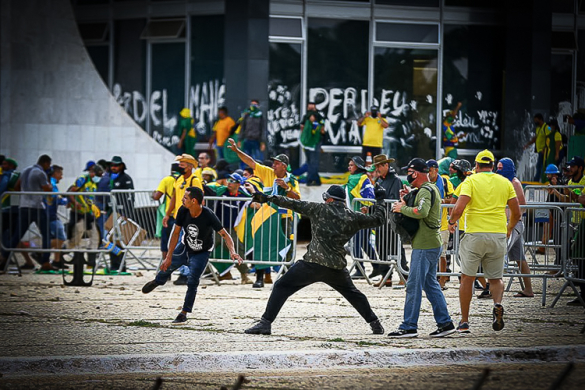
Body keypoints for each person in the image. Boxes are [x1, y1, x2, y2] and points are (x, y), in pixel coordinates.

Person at [244, 184, 386, 336]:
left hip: (312, 264)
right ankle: (375, 324)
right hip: (336, 267)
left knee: (281, 286)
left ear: (329, 199)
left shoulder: (319, 209)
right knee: (354, 295)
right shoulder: (353, 216)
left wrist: (267, 198)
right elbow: (378, 219)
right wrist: (380, 200)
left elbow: (292, 203)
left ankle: (265, 323)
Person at [142, 187, 243, 324]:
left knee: (193, 281)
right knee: (167, 266)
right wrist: (168, 256)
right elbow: (176, 233)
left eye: (185, 198)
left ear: (194, 201)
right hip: (184, 247)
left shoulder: (208, 215)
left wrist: (233, 251)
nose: (182, 200)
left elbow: (225, 234)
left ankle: (184, 313)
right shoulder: (183, 210)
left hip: (202, 252)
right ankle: (158, 281)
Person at [448, 150, 521, 333]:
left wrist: (451, 222)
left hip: (475, 235)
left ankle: (464, 322)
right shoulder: (505, 182)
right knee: (496, 279)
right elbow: (517, 212)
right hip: (497, 234)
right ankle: (497, 304)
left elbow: (458, 208)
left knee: (467, 277)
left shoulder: (471, 181)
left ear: (477, 165)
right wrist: (509, 228)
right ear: (493, 165)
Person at [386, 158, 455, 338]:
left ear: (415, 173)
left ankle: (409, 325)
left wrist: (402, 209)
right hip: (430, 243)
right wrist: (408, 196)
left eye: (409, 172)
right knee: (430, 284)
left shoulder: (425, 190)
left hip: (425, 246)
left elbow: (422, 212)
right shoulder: (429, 189)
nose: (407, 175)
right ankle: (445, 322)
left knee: (414, 285)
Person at [228, 138, 300, 287]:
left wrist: (286, 188)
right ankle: (260, 278)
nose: (273, 165)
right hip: (266, 216)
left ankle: (285, 277)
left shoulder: (292, 180)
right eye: (273, 163)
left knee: (286, 246)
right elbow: (251, 162)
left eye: (277, 163)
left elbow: (297, 198)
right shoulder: (268, 173)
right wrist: (236, 151)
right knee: (262, 245)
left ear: (284, 166)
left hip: (284, 217)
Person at [1, 155, 56, 271]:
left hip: (24, 206)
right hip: (37, 207)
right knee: (46, 234)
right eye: (48, 164)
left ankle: (4, 257)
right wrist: (49, 182)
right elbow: (47, 188)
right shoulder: (40, 173)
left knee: (17, 235)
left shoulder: (25, 170)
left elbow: (17, 187)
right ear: (46, 163)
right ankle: (45, 261)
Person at [367, 154, 408, 287]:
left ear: (386, 165)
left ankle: (404, 275)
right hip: (381, 220)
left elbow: (393, 199)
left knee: (396, 248)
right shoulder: (379, 180)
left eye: (379, 166)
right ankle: (386, 277)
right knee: (381, 248)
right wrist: (369, 209)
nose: (377, 169)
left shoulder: (395, 180)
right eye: (376, 166)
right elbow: (377, 200)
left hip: (392, 220)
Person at [163, 154, 204, 285]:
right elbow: (174, 198)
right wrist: (167, 214)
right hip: (179, 218)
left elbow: (200, 200)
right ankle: (181, 273)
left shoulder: (195, 180)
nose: (179, 166)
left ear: (190, 166)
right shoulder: (178, 179)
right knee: (177, 246)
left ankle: (185, 274)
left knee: (184, 248)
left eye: (182, 164)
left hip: (190, 219)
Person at [206, 172, 253, 284]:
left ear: (238, 184)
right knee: (205, 249)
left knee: (237, 250)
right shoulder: (221, 191)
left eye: (232, 181)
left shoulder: (243, 196)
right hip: (215, 227)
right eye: (228, 179)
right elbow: (207, 189)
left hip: (229, 229)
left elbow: (255, 204)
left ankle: (244, 275)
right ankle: (191, 272)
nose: (229, 183)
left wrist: (252, 191)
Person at [496, 158, 533, 298]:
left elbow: (522, 206)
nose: (498, 170)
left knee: (500, 253)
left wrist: (510, 222)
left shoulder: (514, 182)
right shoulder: (504, 182)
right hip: (509, 223)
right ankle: (528, 289)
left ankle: (493, 287)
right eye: (497, 167)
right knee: (520, 258)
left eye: (501, 168)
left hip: (514, 224)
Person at [67, 163, 104, 269]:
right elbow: (71, 192)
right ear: (92, 173)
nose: (99, 178)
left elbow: (90, 198)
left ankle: (91, 264)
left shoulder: (94, 184)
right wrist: (75, 203)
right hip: (78, 214)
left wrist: (94, 208)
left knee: (95, 237)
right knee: (76, 239)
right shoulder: (83, 179)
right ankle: (61, 253)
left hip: (88, 214)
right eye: (98, 175)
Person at [345, 156, 376, 279]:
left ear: (357, 166)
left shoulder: (358, 178)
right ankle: (378, 266)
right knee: (364, 243)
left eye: (351, 165)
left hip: (361, 217)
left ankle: (359, 269)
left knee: (356, 242)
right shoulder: (363, 178)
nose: (349, 167)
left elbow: (349, 191)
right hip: (362, 216)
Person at [109, 156, 135, 272]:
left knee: (120, 240)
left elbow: (130, 197)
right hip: (111, 213)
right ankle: (114, 265)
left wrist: (127, 214)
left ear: (121, 166)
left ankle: (121, 266)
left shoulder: (126, 178)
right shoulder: (110, 178)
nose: (114, 167)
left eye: (116, 165)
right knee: (110, 240)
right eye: (112, 165)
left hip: (121, 214)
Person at [152, 163, 181, 262]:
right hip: (181, 215)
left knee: (165, 243)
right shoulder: (183, 180)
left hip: (169, 216)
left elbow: (157, 197)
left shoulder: (166, 180)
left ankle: (165, 267)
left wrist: (153, 194)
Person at [45, 165, 68, 268]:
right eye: (60, 174)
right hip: (50, 214)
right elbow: (56, 198)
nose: (61, 177)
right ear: (55, 173)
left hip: (49, 213)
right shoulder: (52, 183)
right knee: (61, 237)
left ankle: (57, 260)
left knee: (57, 237)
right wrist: (67, 200)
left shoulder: (50, 182)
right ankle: (40, 250)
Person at [299, 102, 325, 187]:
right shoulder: (305, 118)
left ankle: (311, 179)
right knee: (311, 162)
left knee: (313, 162)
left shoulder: (319, 117)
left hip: (315, 143)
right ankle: (315, 180)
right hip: (307, 143)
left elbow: (322, 129)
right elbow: (302, 128)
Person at [524, 113, 551, 183]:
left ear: (541, 120)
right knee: (539, 166)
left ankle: (539, 180)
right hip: (540, 151)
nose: (535, 122)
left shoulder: (547, 127)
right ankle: (537, 180)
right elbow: (535, 138)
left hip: (544, 151)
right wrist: (527, 144)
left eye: (537, 120)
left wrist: (545, 148)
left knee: (541, 166)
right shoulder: (538, 128)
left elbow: (550, 138)